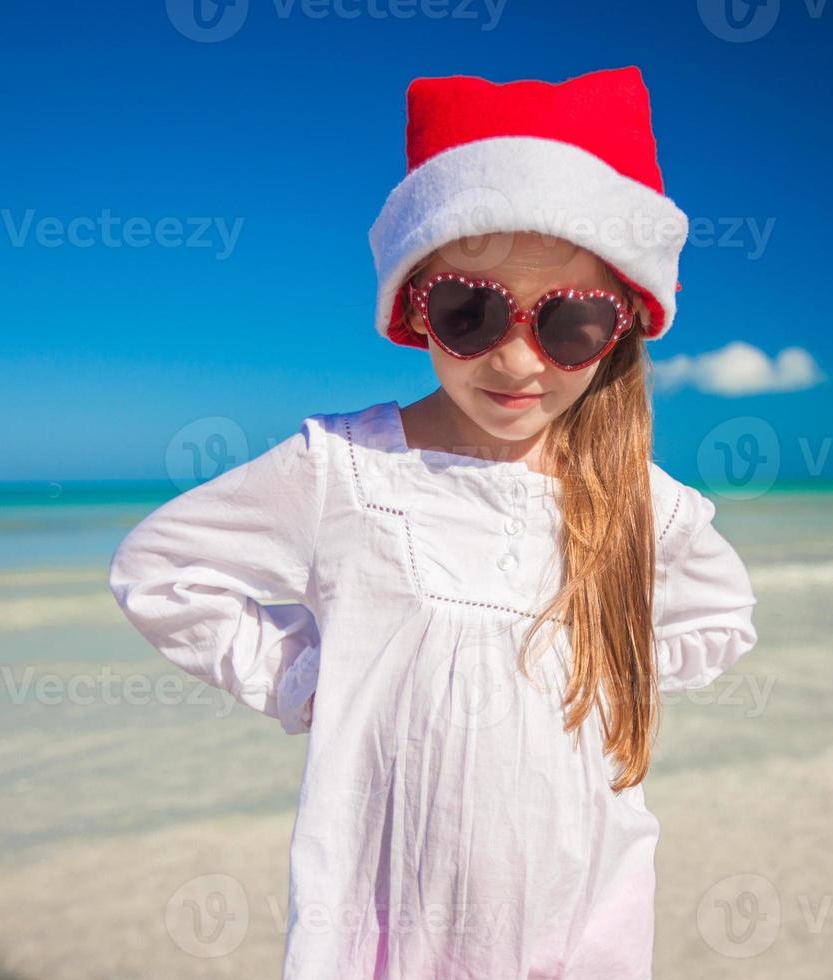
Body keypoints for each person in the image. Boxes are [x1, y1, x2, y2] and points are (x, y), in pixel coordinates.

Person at [108, 65, 759, 980]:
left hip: (585, 920)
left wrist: (608, 676)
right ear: (416, 308)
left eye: (569, 322)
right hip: (383, 927)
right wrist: (307, 678)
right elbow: (161, 570)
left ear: (621, 331)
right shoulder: (344, 469)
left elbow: (718, 620)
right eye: (472, 311)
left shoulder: (642, 502)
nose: (519, 358)